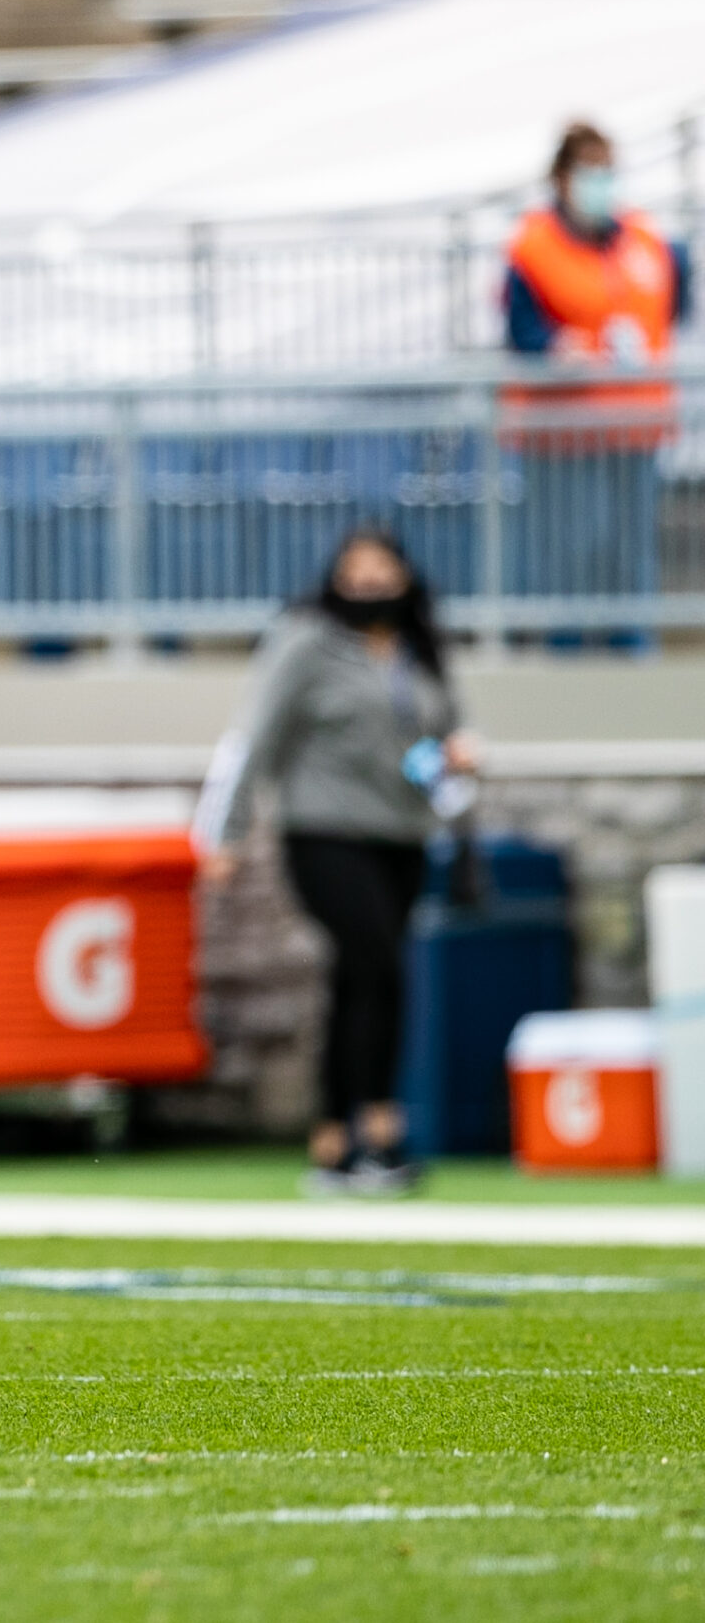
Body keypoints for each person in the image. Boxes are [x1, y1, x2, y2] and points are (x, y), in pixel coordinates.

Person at [198, 528, 476, 1197]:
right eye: (358, 572)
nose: (371, 585)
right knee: (372, 959)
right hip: (322, 829)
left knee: (369, 978)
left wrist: (458, 764)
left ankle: (344, 1140)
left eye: (383, 571)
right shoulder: (307, 641)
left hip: (401, 833)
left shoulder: (416, 649)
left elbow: (438, 735)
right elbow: (256, 733)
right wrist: (225, 833)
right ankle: (366, 1131)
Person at [502, 121, 692, 636]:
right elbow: (521, 332)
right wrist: (559, 350)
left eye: (608, 170)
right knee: (567, 558)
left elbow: (673, 305)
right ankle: (566, 658)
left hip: (634, 428)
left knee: (630, 559)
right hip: (563, 433)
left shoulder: (645, 240)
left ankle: (633, 652)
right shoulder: (533, 247)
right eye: (590, 170)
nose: (601, 183)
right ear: (562, 177)